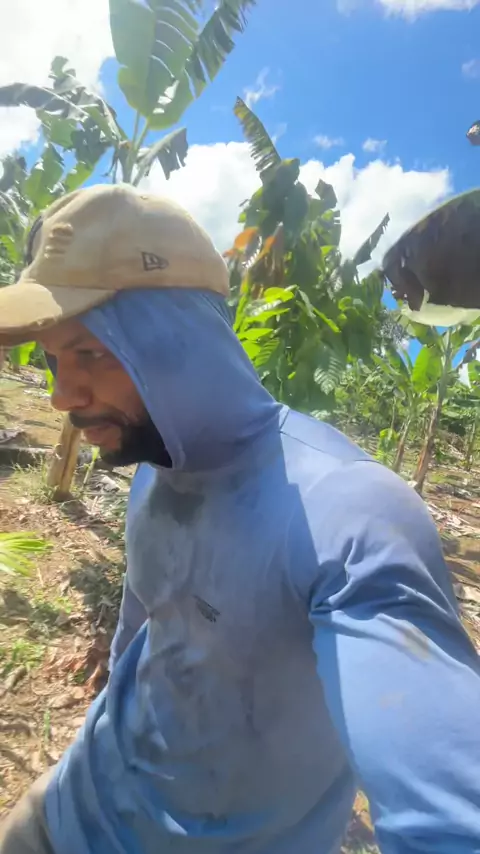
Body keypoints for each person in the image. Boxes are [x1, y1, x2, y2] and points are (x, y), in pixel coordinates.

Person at [0, 183, 479, 854]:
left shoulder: (345, 512)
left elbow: (449, 814)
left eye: (91, 353)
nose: (62, 395)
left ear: (179, 338)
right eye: (54, 358)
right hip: (67, 804)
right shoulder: (155, 465)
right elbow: (145, 623)